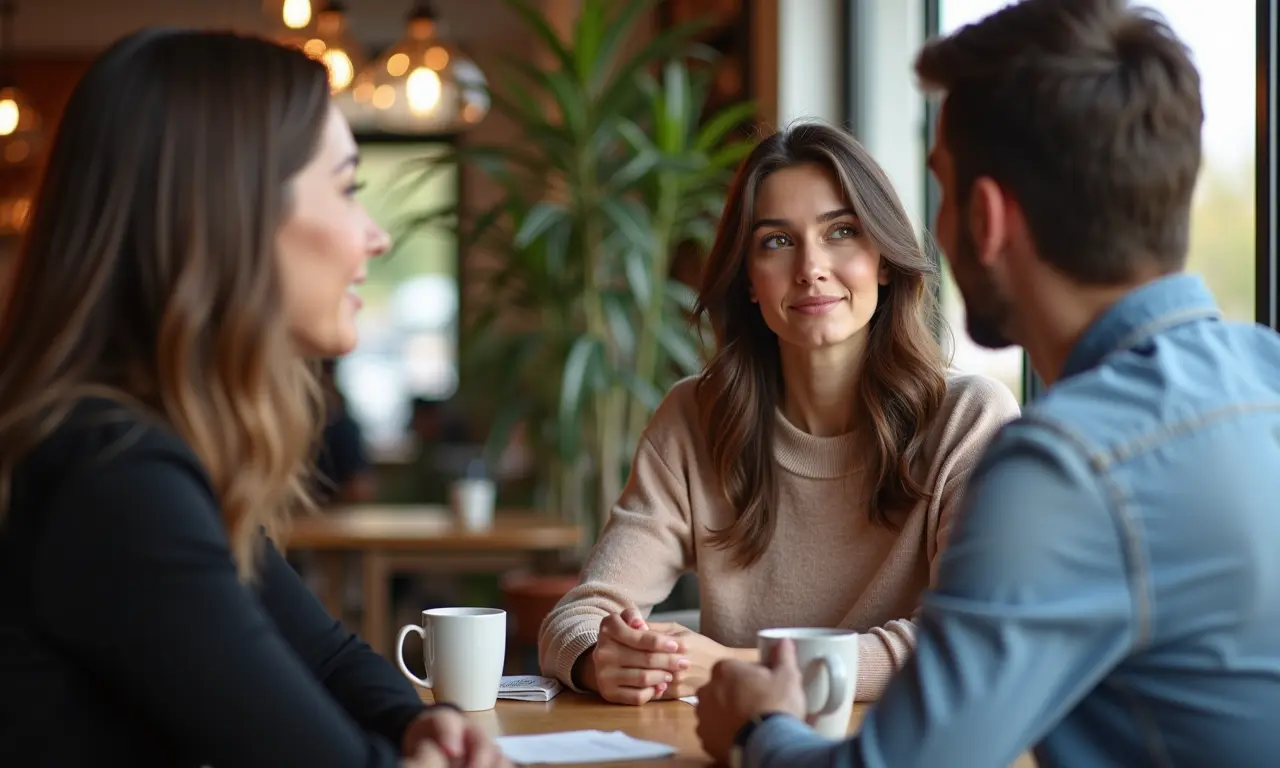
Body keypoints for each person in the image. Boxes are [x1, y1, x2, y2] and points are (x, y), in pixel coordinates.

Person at [694, 1, 1280, 766]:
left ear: (988, 216)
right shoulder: (1263, 377)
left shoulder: (1067, 467)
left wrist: (757, 726)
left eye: (939, 189)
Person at [0, 29, 509, 768]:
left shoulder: (142, 445)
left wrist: (413, 723)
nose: (375, 237)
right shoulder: (113, 476)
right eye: (345, 188)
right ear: (230, 216)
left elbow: (329, 657)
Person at [538, 122, 1020, 705]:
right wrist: (601, 659)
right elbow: (583, 613)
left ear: (885, 261)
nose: (811, 268)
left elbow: (967, 639)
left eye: (841, 231)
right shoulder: (694, 417)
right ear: (748, 280)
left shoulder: (969, 418)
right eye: (777, 241)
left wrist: (742, 667)